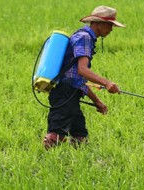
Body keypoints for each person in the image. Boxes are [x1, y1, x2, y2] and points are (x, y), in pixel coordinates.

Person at [43, 5, 125, 149]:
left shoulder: (85, 37)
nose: (111, 29)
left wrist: (97, 101)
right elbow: (82, 71)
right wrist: (107, 83)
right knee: (55, 137)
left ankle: (77, 163)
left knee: (80, 135)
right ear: (98, 23)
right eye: (109, 25)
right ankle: (45, 164)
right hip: (65, 93)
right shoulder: (85, 37)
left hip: (70, 93)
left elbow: (78, 81)